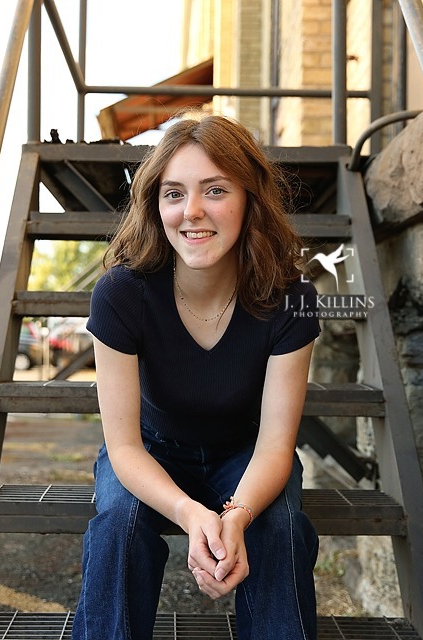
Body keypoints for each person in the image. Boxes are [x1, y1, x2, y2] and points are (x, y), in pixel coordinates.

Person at [72, 112, 320, 640]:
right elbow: (123, 446)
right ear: (155, 205)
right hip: (150, 449)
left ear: (250, 199)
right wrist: (189, 513)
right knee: (118, 527)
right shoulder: (121, 294)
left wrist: (236, 516)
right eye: (174, 194)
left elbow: (276, 446)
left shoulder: (291, 300)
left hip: (246, 453)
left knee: (280, 526)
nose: (192, 211)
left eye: (215, 190)